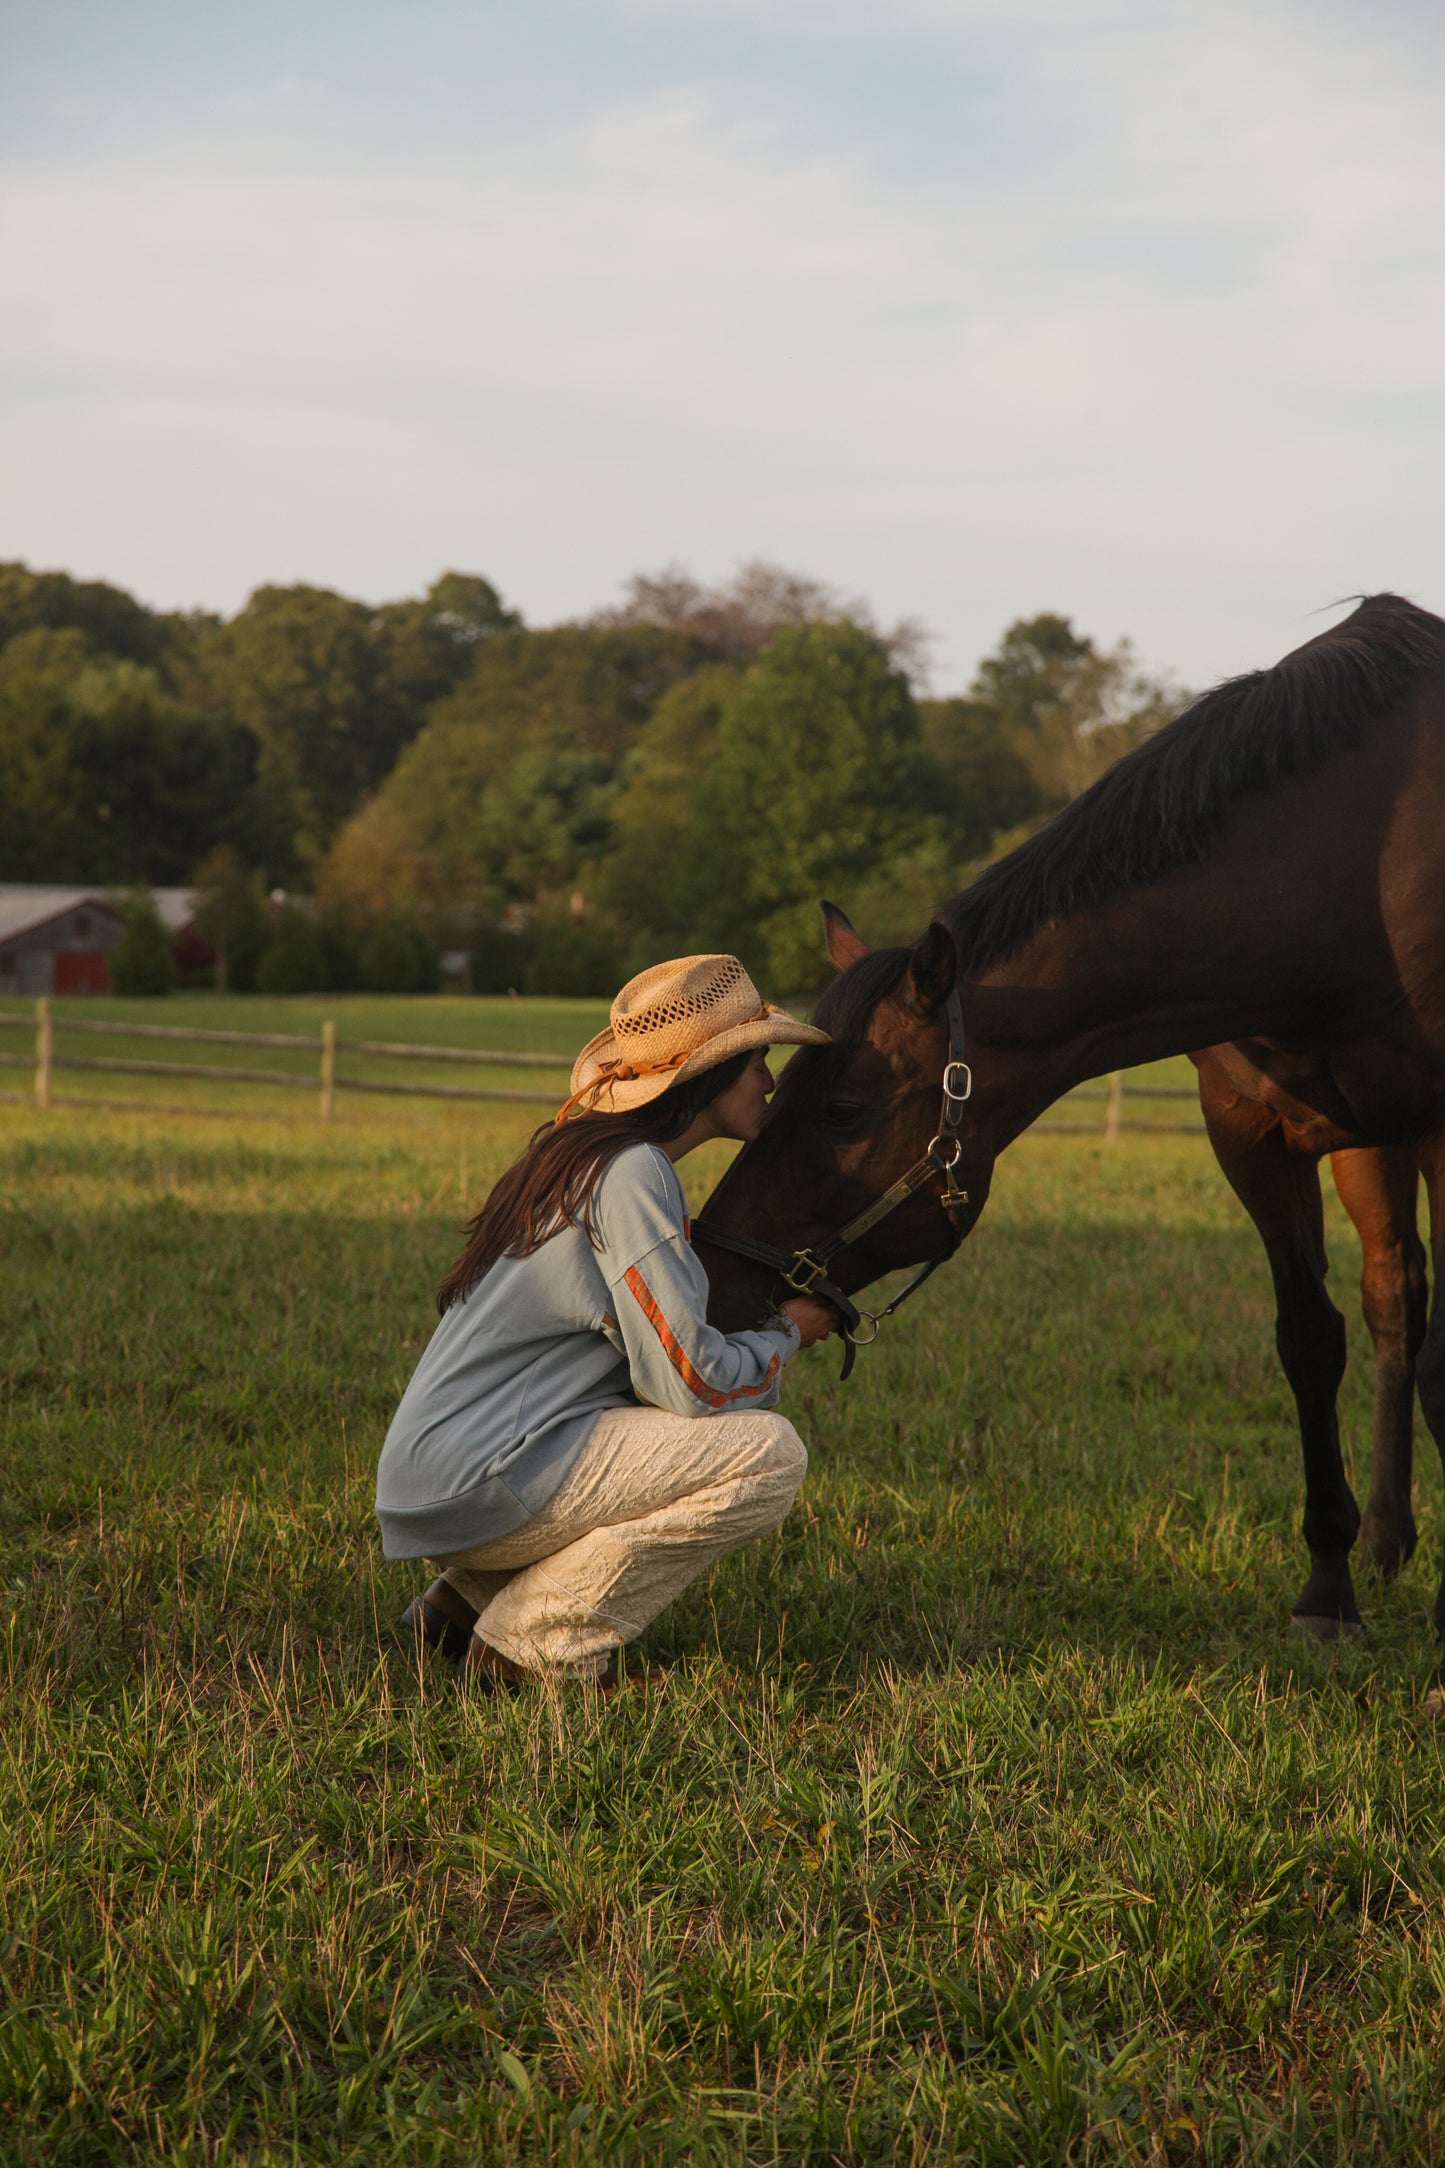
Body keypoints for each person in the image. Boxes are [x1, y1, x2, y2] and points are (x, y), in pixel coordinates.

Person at [376, 953, 838, 1694]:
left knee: (640, 1417)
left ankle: (460, 1606)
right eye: (756, 1060)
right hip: (479, 1478)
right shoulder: (633, 1173)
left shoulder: (577, 1157)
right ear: (704, 1073)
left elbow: (641, 1370)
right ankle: (528, 1646)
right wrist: (785, 1334)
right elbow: (687, 1382)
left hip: (440, 1470)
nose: (769, 1081)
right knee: (767, 1456)